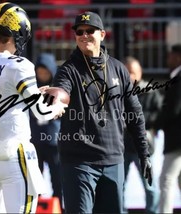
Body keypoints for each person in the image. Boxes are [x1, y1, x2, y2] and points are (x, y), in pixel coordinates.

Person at [0, 2, 67, 213]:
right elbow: (41, 111)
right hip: (13, 157)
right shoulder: (18, 65)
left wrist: (30, 93)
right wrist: (57, 107)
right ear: (16, 35)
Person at [49, 11, 152, 213]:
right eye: (80, 31)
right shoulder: (68, 70)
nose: (84, 35)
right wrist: (55, 98)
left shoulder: (118, 68)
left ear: (102, 34)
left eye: (90, 31)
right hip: (79, 162)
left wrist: (144, 153)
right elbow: (62, 90)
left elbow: (135, 113)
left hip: (113, 159)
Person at [123, 56, 162, 213]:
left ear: (140, 72)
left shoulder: (150, 91)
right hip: (122, 146)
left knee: (150, 186)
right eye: (127, 73)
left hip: (144, 147)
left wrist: (140, 122)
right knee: (118, 185)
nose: (130, 76)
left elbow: (160, 114)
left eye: (133, 72)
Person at [29, 53, 63, 206]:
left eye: (45, 71)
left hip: (54, 141)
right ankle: (37, 207)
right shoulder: (30, 89)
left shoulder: (59, 88)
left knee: (58, 178)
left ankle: (59, 207)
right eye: (40, 71)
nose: (42, 75)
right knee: (35, 180)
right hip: (35, 140)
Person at [156, 44, 181, 213]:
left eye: (170, 56)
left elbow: (174, 109)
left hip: (177, 140)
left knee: (166, 179)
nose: (168, 59)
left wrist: (155, 123)